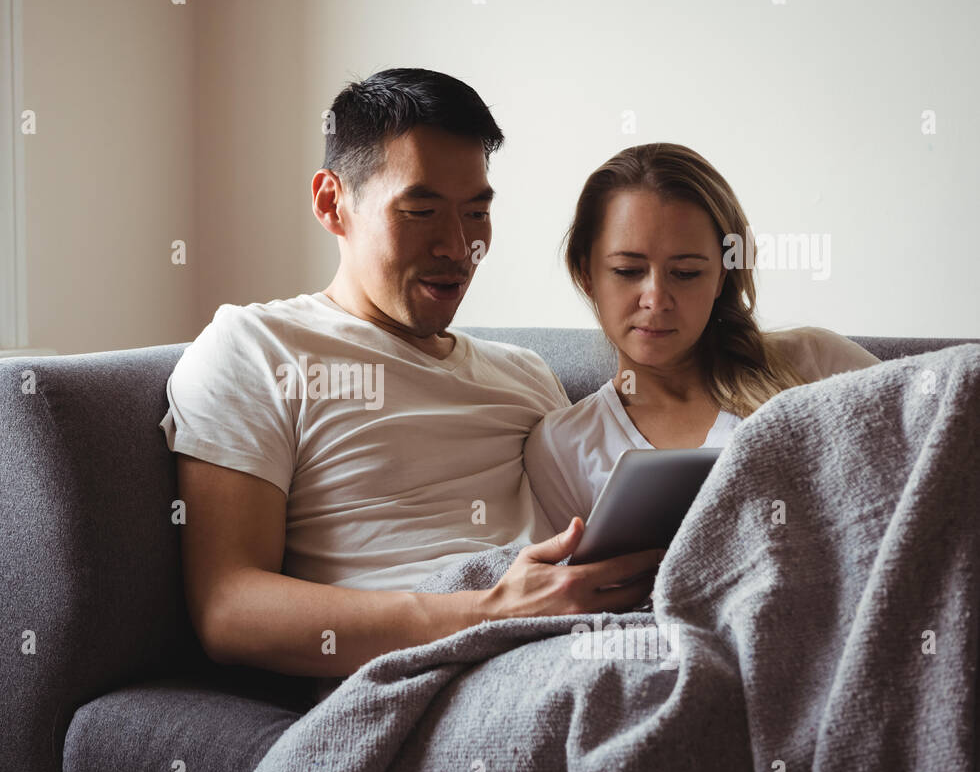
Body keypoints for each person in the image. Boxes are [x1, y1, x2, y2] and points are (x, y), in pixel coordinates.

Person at [159, 69, 663, 702]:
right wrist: (489, 613)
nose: (459, 247)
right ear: (330, 202)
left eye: (477, 212)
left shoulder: (526, 375)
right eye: (420, 210)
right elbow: (228, 610)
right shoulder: (256, 350)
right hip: (426, 677)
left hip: (565, 642)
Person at [525, 143, 880, 541]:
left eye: (687, 273)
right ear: (586, 275)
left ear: (721, 278)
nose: (655, 299)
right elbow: (560, 592)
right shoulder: (561, 446)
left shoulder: (814, 361)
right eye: (627, 270)